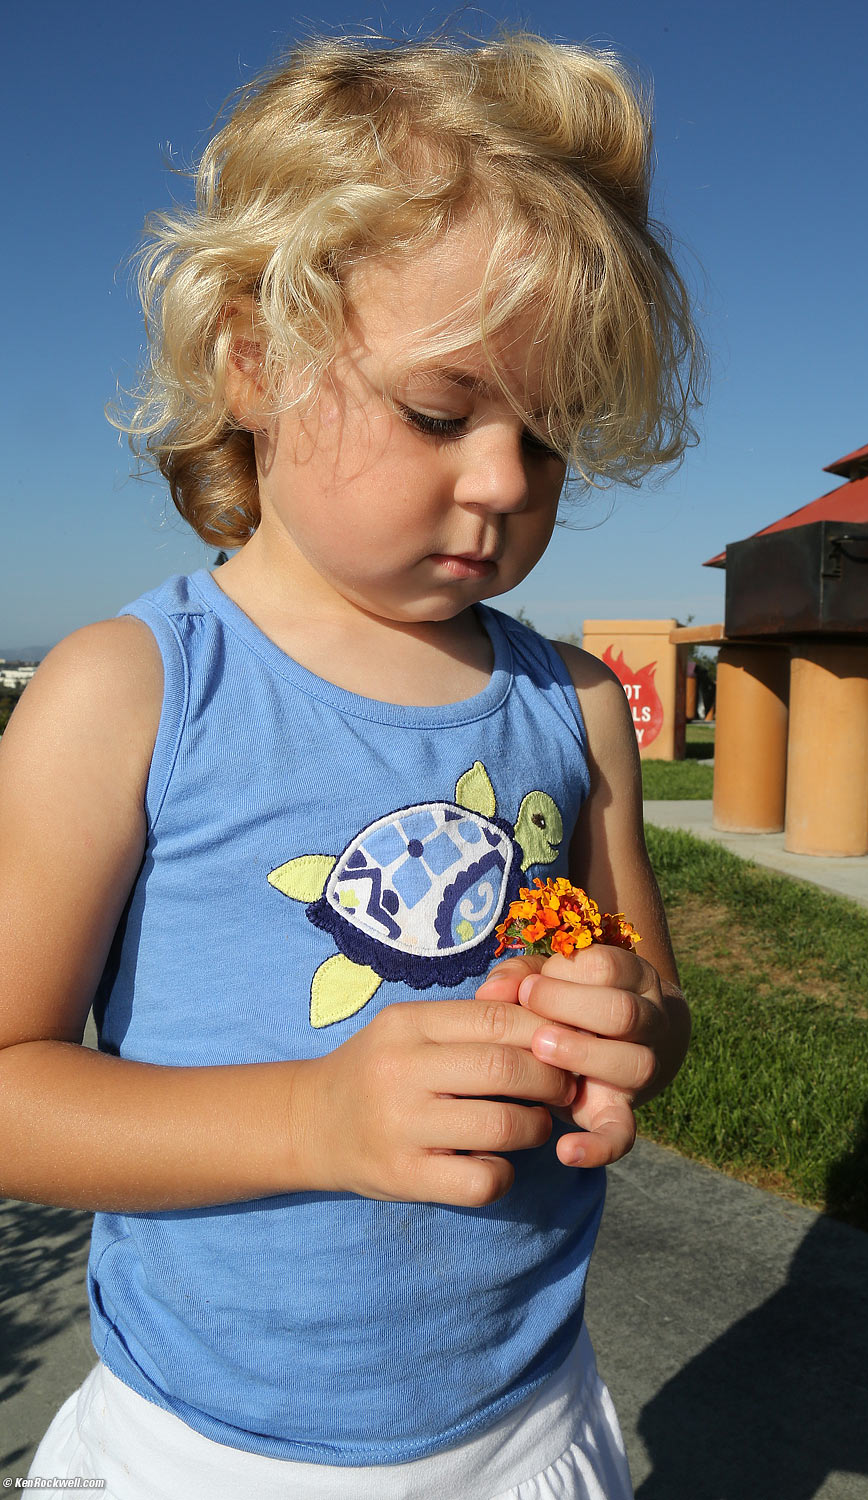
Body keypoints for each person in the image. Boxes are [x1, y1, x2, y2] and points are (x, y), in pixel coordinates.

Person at [0, 30, 698, 1499]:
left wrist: (629, 1022)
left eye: (551, 439)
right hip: (213, 1450)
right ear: (255, 361)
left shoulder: (570, 701)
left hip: (529, 1422)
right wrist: (315, 1118)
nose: (504, 482)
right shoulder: (131, 690)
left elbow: (656, 991)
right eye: (440, 412)